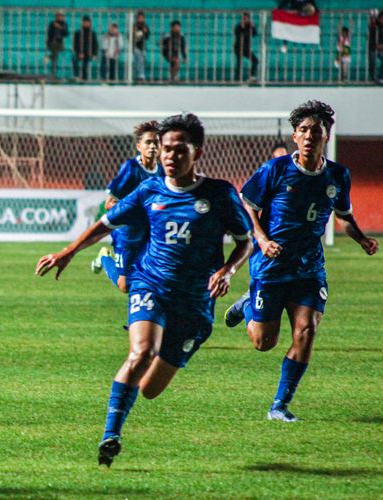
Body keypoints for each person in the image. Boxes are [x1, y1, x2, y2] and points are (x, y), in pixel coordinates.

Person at [36, 113, 253, 467]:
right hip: (150, 284)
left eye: (179, 149)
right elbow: (106, 222)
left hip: (196, 303)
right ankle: (110, 435)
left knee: (150, 389)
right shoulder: (149, 190)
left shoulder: (219, 194)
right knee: (140, 353)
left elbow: (245, 242)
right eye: (166, 148)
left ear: (197, 152)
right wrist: (68, 252)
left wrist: (229, 270)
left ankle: (126, 403)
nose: (169, 156)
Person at [224, 101, 378, 422]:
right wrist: (262, 240)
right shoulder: (275, 170)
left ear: (326, 135)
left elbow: (344, 215)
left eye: (316, 130)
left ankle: (279, 405)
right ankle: (248, 305)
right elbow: (247, 206)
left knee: (306, 331)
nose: (310, 136)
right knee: (263, 342)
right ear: (295, 136)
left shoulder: (338, 176)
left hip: (309, 268)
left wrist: (361, 238)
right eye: (304, 130)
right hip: (271, 267)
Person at [91, 120, 162, 293]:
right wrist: (134, 211)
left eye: (156, 143)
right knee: (125, 285)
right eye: (148, 142)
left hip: (149, 232)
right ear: (139, 146)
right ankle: (104, 258)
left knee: (157, 277)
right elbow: (110, 204)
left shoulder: (162, 172)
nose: (152, 146)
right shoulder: (131, 169)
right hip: (127, 233)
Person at [234, 12, 259, 82]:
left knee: (255, 60)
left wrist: (253, 27)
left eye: (246, 18)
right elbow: (239, 36)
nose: (245, 20)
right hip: (238, 47)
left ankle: (252, 76)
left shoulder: (249, 26)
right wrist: (243, 28)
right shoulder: (238, 26)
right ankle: (238, 78)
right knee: (239, 62)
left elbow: (254, 34)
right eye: (244, 18)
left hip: (246, 48)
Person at [73, 15, 99, 81]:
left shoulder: (92, 33)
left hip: (88, 53)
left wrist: (95, 54)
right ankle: (76, 76)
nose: (85, 23)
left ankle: (85, 79)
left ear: (90, 23)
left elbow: (95, 44)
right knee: (74, 59)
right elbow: (75, 44)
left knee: (85, 64)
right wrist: (79, 53)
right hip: (79, 52)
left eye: (87, 22)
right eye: (84, 22)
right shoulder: (77, 33)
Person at [46, 11, 69, 79]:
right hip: (52, 43)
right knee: (55, 57)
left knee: (57, 57)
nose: (61, 17)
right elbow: (49, 33)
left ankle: (48, 58)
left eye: (62, 16)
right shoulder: (52, 23)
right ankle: (54, 74)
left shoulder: (64, 24)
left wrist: (60, 27)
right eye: (59, 16)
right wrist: (54, 27)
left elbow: (66, 34)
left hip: (60, 43)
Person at [132, 11, 150, 81]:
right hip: (135, 46)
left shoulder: (145, 26)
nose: (141, 19)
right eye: (139, 18)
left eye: (142, 18)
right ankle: (140, 76)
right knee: (140, 59)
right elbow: (132, 36)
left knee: (142, 61)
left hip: (143, 46)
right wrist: (140, 32)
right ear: (137, 18)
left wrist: (145, 32)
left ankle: (140, 75)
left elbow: (147, 36)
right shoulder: (134, 26)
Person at [367, 10, 383, 83]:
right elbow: (370, 35)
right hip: (373, 47)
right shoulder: (374, 25)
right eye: (381, 18)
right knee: (372, 62)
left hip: (381, 48)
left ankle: (380, 77)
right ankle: (374, 78)